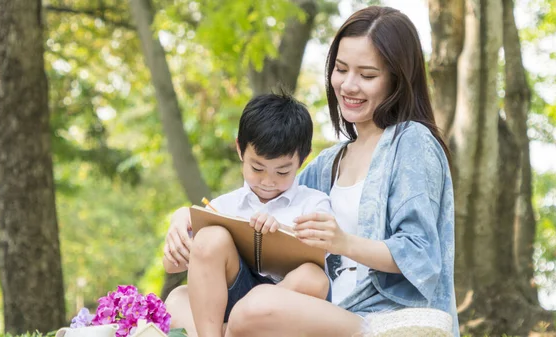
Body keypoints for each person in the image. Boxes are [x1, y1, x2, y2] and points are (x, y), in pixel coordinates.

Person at [165, 5, 459, 337]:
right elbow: (262, 217)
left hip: (375, 314)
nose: (348, 85)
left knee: (256, 306)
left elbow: (421, 255)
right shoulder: (325, 165)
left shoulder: (412, 142)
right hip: (316, 309)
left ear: (397, 79)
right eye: (341, 69)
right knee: (178, 300)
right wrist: (186, 219)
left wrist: (343, 242)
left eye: (367, 75)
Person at [162, 92, 334, 337]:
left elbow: (324, 251)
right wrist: (180, 222)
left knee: (313, 278)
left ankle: (235, 329)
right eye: (257, 168)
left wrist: (282, 232)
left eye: (282, 172)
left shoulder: (313, 202)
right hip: (235, 295)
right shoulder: (223, 207)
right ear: (240, 149)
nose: (267, 181)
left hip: (286, 300)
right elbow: (172, 265)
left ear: (302, 160)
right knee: (179, 295)